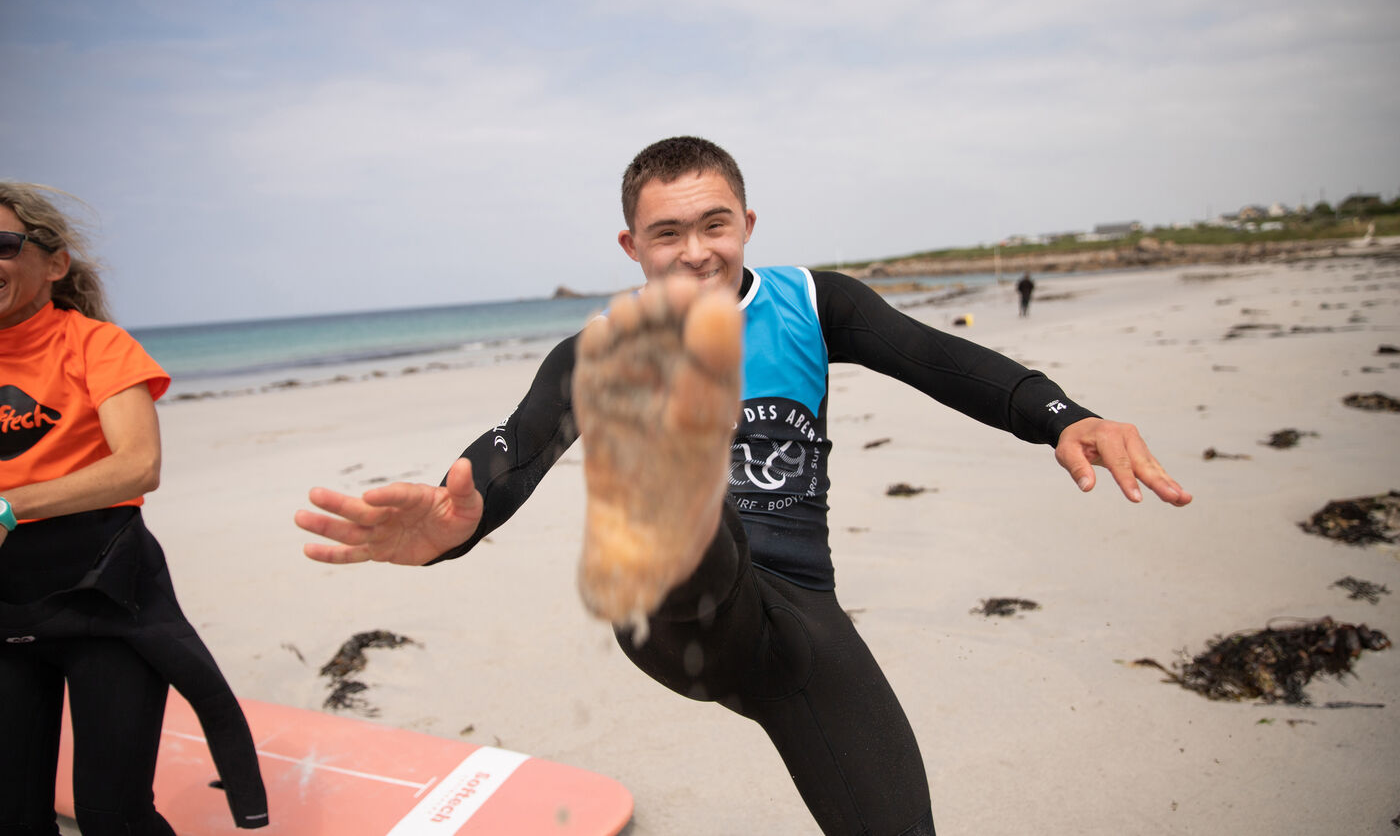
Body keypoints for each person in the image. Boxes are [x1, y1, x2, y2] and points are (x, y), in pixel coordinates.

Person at [296, 137, 1191, 836]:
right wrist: (458, 525)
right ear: (632, 245)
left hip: (801, 618)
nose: (696, 252)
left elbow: (938, 358)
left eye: (714, 225)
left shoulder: (814, 305)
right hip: (674, 611)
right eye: (667, 233)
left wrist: (1060, 415)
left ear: (748, 224)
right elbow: (515, 451)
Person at [0, 183, 267, 835]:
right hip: (6, 609)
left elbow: (138, 464)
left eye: (2, 244)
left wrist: (8, 506)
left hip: (105, 606)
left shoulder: (97, 345)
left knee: (112, 816)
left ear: (54, 263)